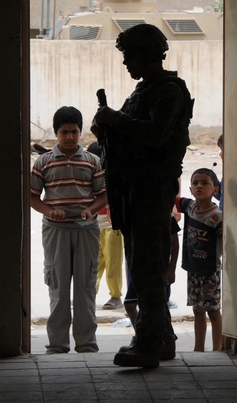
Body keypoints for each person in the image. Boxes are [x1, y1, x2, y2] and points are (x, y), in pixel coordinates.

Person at [92, 23, 193, 368]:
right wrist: (105, 126)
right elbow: (126, 135)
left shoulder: (168, 91)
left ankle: (149, 341)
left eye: (129, 55)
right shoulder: (144, 91)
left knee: (147, 269)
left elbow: (154, 135)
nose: (125, 63)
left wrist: (114, 119)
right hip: (136, 189)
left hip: (152, 190)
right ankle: (162, 338)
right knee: (141, 263)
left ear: (148, 54)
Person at [30, 106, 107, 354]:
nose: (70, 137)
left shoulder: (93, 161)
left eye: (74, 132)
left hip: (86, 230)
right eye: (64, 132)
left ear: (81, 132)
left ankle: (86, 343)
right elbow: (32, 197)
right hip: (55, 231)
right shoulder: (43, 162)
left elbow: (103, 195)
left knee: (85, 286)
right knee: (58, 287)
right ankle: (57, 344)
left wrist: (90, 210)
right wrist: (49, 211)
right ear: (55, 133)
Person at [178, 167, 224, 351]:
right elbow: (171, 197)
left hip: (210, 271)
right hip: (193, 270)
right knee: (197, 310)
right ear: (190, 189)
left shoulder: (217, 217)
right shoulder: (190, 207)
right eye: (195, 183)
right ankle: (198, 349)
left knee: (213, 310)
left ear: (215, 190)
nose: (199, 186)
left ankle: (217, 349)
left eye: (205, 183)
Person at [87, 141, 125, 311]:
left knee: (113, 262)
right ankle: (89, 292)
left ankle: (115, 296)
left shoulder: (113, 177)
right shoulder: (89, 175)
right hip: (94, 224)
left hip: (112, 226)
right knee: (93, 262)